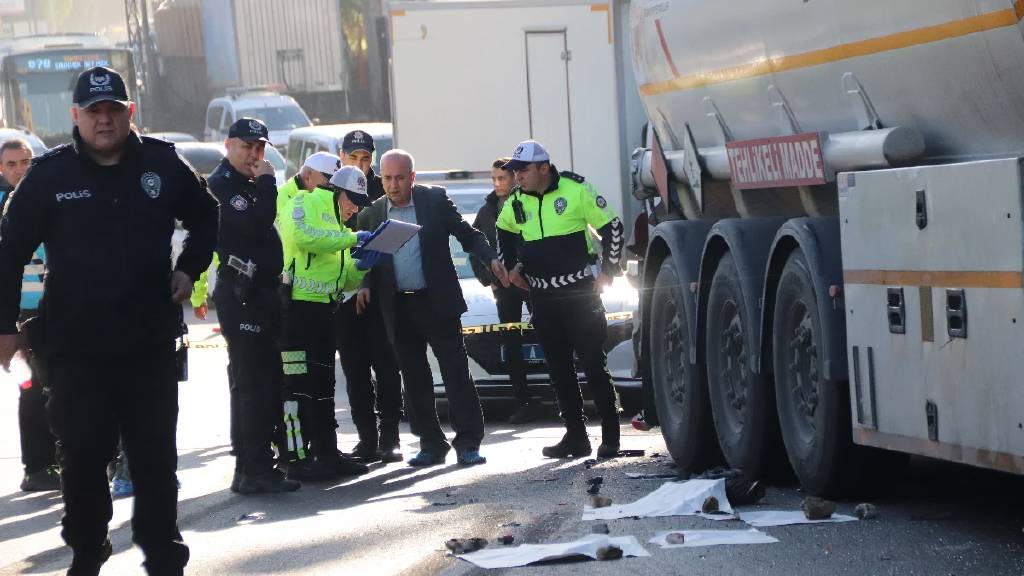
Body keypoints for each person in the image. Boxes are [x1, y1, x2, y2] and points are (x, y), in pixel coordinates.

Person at [0, 66, 217, 575]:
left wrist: (189, 268)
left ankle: (163, 552)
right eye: (93, 112)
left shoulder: (163, 165)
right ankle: (87, 547)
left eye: (112, 111)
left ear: (129, 113)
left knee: (155, 456)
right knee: (81, 454)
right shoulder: (50, 174)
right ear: (76, 116)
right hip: (76, 348)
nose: (103, 121)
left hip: (150, 342)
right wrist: (6, 327)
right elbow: (8, 253)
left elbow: (207, 217)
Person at [356, 149, 508, 467]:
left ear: (412, 177)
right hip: (398, 306)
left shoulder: (434, 201)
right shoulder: (372, 214)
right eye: (387, 178)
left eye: (399, 178)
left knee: (455, 374)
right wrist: (365, 284)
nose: (393, 185)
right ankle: (430, 444)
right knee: (414, 379)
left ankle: (468, 443)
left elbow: (468, 235)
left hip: (436, 302)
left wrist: (491, 258)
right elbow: (366, 259)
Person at [495, 140, 625, 459]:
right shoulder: (515, 201)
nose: (517, 177)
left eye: (522, 170)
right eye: (515, 171)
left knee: (594, 366)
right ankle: (576, 437)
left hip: (580, 294)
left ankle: (611, 437)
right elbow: (504, 232)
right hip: (542, 297)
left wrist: (609, 271)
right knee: (559, 371)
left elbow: (613, 227)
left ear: (543, 168)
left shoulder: (576, 189)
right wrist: (510, 265)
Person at [204, 117, 302, 495]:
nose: (254, 154)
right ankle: (255, 468)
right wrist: (268, 180)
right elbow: (257, 222)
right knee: (254, 384)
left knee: (260, 382)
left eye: (260, 147)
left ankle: (253, 463)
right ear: (229, 145)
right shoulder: (223, 186)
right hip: (242, 295)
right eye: (247, 147)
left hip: (261, 294)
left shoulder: (246, 184)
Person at [278, 165, 377, 479]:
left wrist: (362, 265)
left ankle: (327, 452)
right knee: (296, 388)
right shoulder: (304, 202)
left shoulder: (340, 227)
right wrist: (349, 239)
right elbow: (303, 237)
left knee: (324, 387)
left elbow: (345, 281)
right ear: (336, 190)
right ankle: (295, 459)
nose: (355, 208)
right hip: (293, 314)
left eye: (360, 203)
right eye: (353, 199)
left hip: (323, 314)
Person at [336, 130, 404, 462]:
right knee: (354, 369)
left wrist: (366, 280)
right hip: (342, 297)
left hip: (380, 295)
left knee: (387, 367)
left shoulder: (382, 191)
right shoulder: (328, 190)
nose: (360, 165)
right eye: (353, 158)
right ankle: (366, 437)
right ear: (341, 156)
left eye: (366, 159)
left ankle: (390, 436)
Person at [0, 139, 59, 492]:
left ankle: (56, 459)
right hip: (21, 312)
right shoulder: (6, 208)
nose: (20, 169)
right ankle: (37, 466)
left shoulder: (45, 200)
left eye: (25, 161)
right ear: (2, 170)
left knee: (59, 385)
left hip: (54, 306)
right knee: (32, 386)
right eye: (12, 164)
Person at [471, 157, 535, 424]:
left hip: (532, 284)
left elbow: (537, 240)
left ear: (514, 179)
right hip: (504, 288)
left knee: (550, 337)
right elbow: (474, 247)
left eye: (503, 178)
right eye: (494, 179)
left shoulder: (527, 203)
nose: (498, 183)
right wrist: (490, 278)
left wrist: (525, 271)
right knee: (511, 344)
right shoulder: (486, 211)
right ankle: (523, 403)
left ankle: (561, 399)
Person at [276, 151, 341, 222]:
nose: (333, 189)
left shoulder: (325, 200)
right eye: (329, 183)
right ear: (308, 176)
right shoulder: (277, 199)